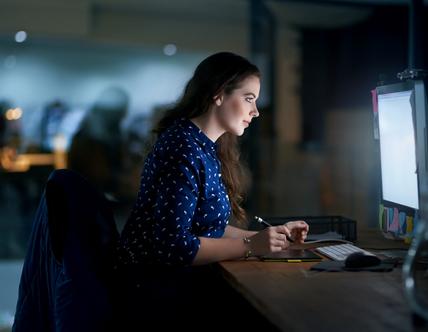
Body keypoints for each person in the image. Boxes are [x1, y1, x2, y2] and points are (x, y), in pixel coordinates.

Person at [115, 52, 309, 329]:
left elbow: (207, 227)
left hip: (176, 285)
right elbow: (174, 247)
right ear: (219, 94)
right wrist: (250, 246)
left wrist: (268, 238)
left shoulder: (202, 145)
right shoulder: (183, 148)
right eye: (249, 98)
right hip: (155, 291)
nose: (255, 112)